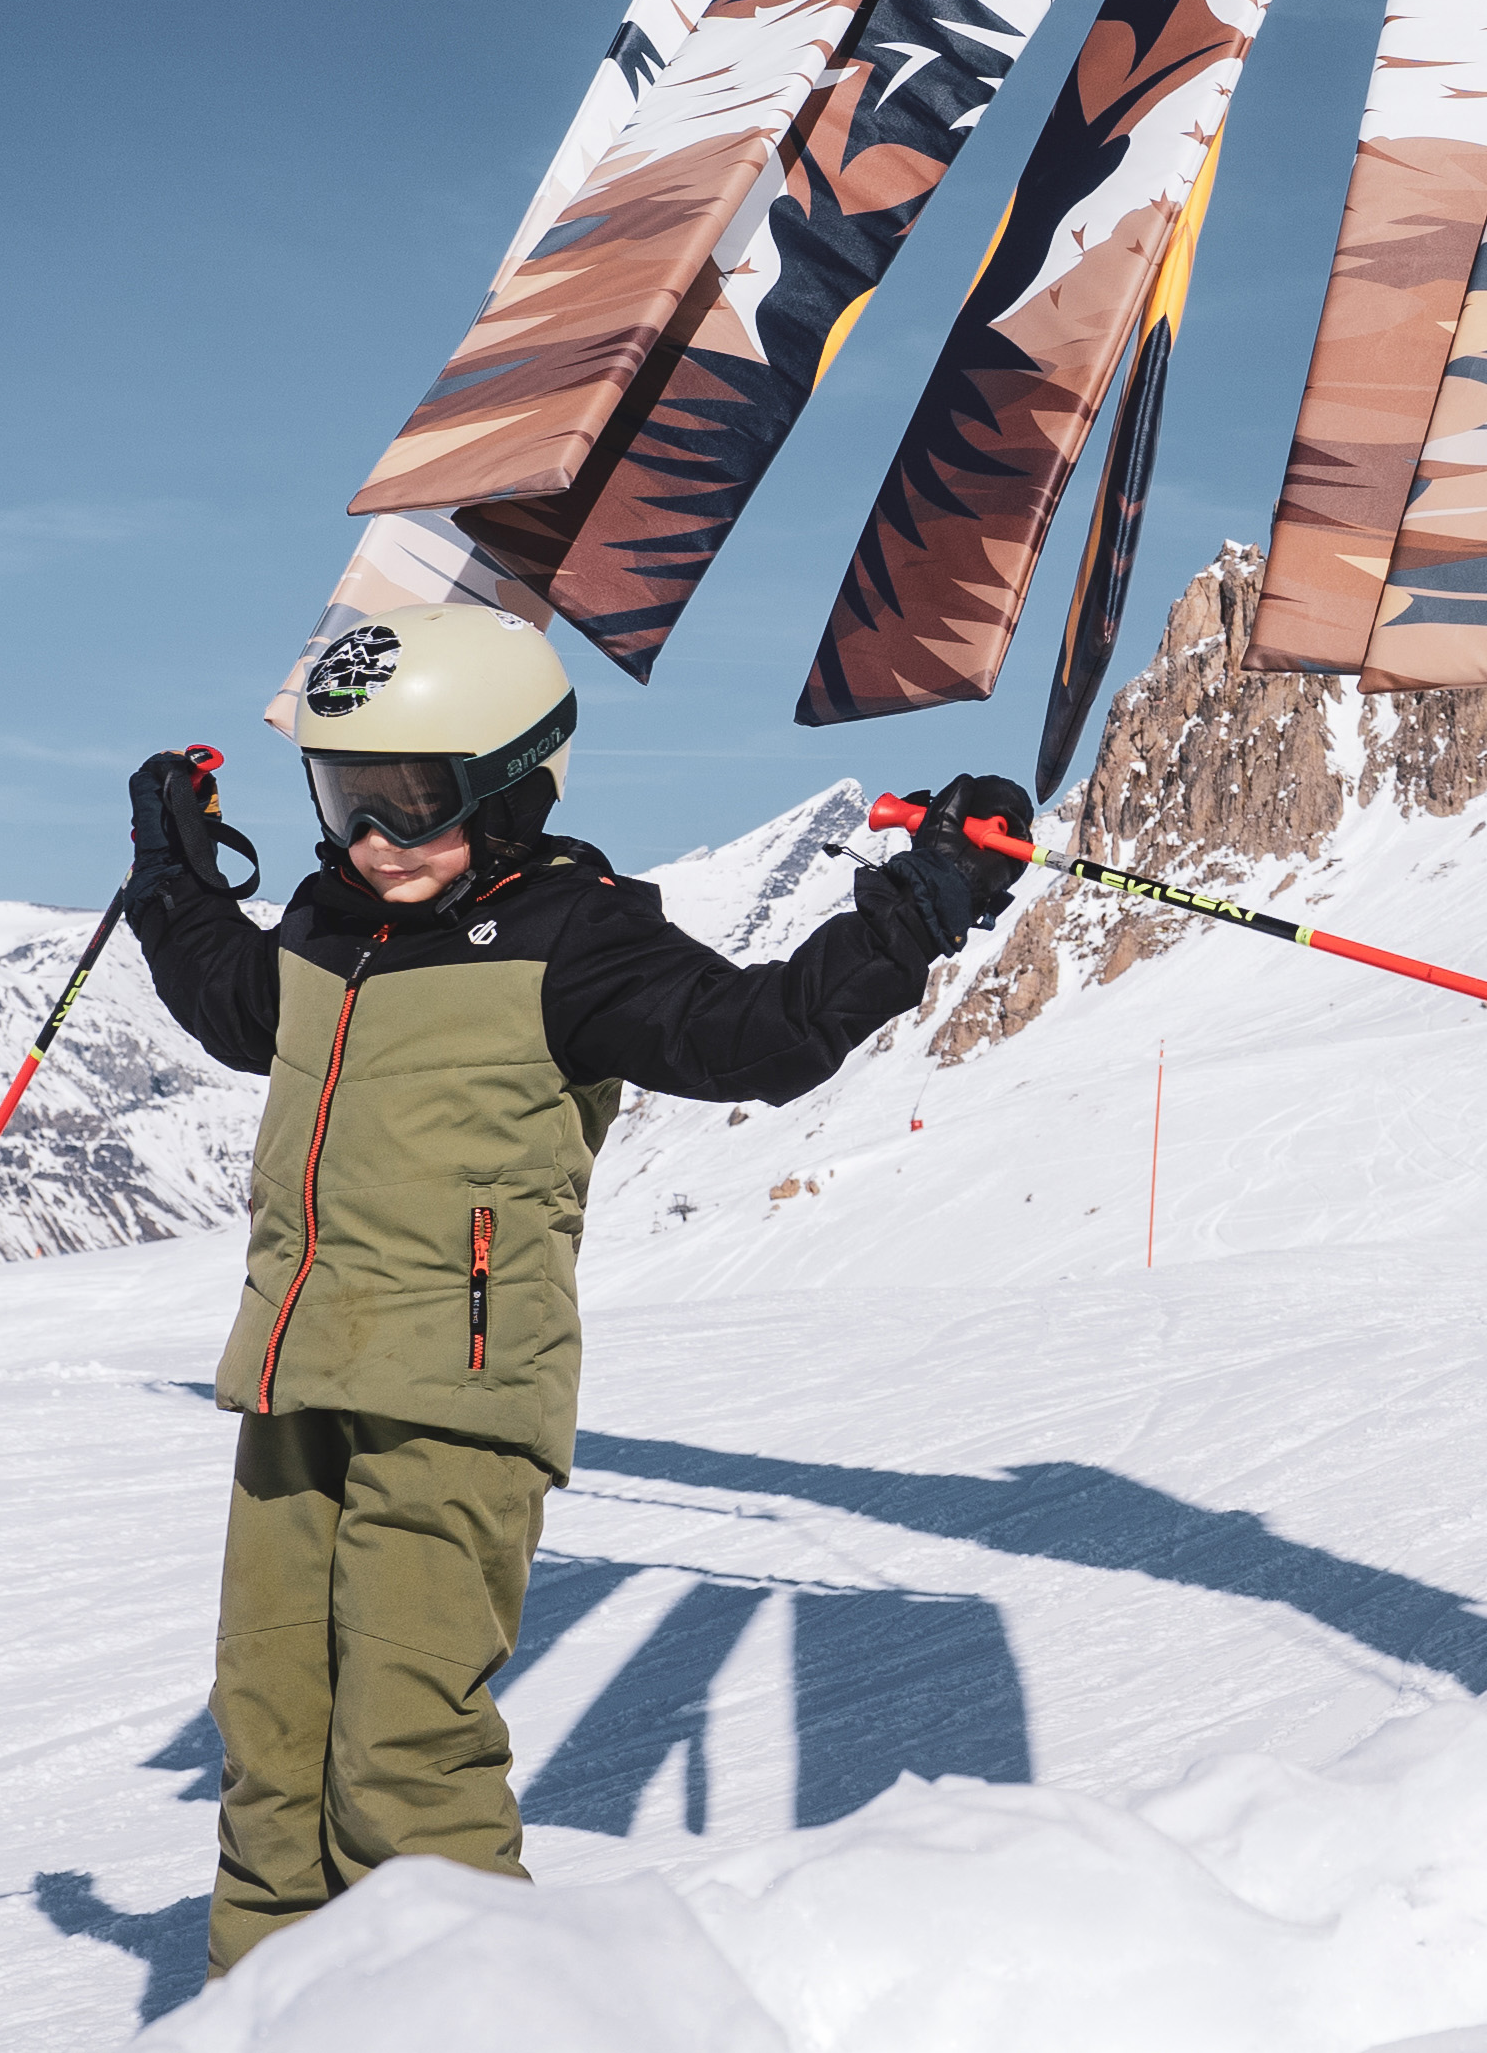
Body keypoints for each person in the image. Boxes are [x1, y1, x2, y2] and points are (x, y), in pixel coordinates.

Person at [121, 603, 1027, 1977]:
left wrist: (912, 910)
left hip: (458, 1395)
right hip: (293, 1381)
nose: (376, 839)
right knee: (269, 1727)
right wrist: (172, 876)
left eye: (412, 800)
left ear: (508, 780)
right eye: (347, 796)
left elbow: (757, 1037)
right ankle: (267, 2008)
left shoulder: (574, 939)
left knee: (400, 1745)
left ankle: (458, 2008)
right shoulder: (324, 926)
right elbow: (236, 1004)